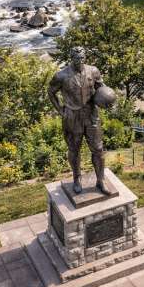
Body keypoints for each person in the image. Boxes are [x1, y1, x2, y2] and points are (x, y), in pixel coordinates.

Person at [48, 47, 113, 194]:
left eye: (82, 58)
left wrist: (107, 98)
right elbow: (51, 92)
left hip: (91, 115)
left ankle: (100, 181)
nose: (80, 61)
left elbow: (101, 87)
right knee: (74, 149)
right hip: (72, 116)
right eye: (77, 58)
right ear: (71, 58)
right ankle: (77, 178)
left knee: (98, 149)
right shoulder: (61, 75)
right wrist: (60, 110)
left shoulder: (93, 71)